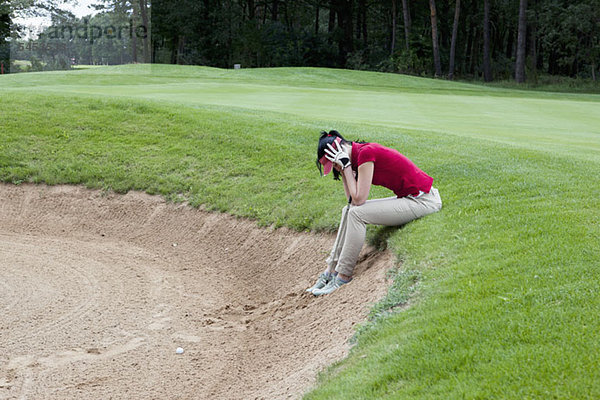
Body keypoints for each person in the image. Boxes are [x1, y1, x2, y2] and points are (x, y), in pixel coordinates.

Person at [307, 130, 442, 296]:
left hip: (424, 200)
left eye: (334, 163)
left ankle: (343, 276)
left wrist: (346, 167)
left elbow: (359, 199)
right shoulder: (355, 158)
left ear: (341, 150)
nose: (335, 167)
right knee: (347, 211)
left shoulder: (365, 154)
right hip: (409, 198)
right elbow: (350, 201)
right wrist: (344, 170)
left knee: (357, 214)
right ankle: (331, 271)